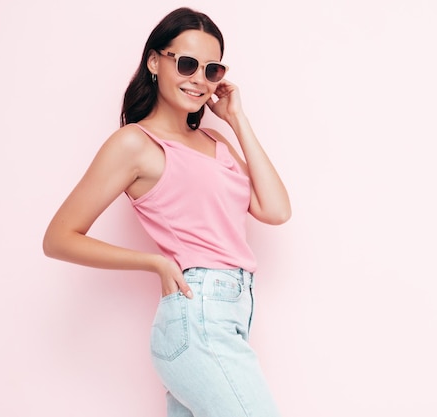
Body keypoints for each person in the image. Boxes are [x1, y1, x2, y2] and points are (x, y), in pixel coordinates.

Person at [43, 7, 291, 417]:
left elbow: (276, 209)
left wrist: (237, 119)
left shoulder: (216, 141)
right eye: (188, 63)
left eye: (211, 70)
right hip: (198, 317)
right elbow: (59, 238)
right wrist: (154, 262)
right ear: (155, 62)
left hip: (233, 315)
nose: (198, 79)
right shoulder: (134, 144)